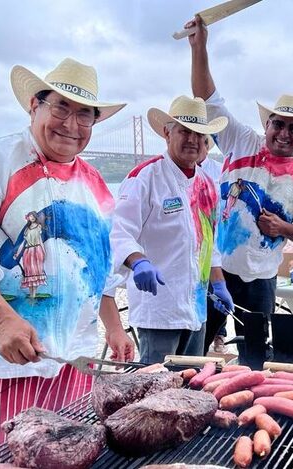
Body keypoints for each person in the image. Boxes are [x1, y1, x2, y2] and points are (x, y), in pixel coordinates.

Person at [0, 58, 135, 459]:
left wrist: (114, 328)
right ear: (34, 104)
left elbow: (101, 267)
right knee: (1, 462)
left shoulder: (95, 185)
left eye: (85, 115)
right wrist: (3, 319)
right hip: (8, 365)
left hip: (74, 363)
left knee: (71, 460)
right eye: (60, 107)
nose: (71, 124)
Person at [187, 16, 293, 360]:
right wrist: (199, 47)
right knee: (198, 346)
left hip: (263, 278)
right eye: (277, 124)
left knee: (256, 354)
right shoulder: (241, 141)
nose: (284, 133)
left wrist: (285, 228)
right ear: (266, 124)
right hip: (216, 269)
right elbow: (207, 99)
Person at [111, 95, 234, 364]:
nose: (192, 139)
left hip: (196, 307)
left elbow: (208, 243)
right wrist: (138, 261)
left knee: (190, 388)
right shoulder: (144, 178)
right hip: (159, 310)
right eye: (184, 131)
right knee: (155, 390)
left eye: (198, 134)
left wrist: (219, 284)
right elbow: (120, 232)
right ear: (167, 133)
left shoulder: (207, 184)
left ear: (206, 140)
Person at [197, 137, 229, 355]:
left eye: (202, 140)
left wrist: (218, 281)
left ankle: (219, 336)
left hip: (216, 248)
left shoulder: (219, 171)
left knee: (217, 304)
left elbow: (213, 226)